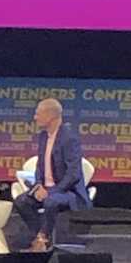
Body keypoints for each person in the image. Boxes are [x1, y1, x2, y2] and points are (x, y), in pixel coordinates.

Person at [14, 98, 91, 252]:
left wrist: (51, 191)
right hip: (46, 189)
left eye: (38, 113)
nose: (35, 117)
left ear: (50, 115)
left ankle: (42, 239)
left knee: (51, 202)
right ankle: (41, 237)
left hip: (68, 192)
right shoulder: (43, 136)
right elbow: (39, 167)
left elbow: (73, 174)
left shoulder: (69, 138)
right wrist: (38, 186)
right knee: (21, 202)